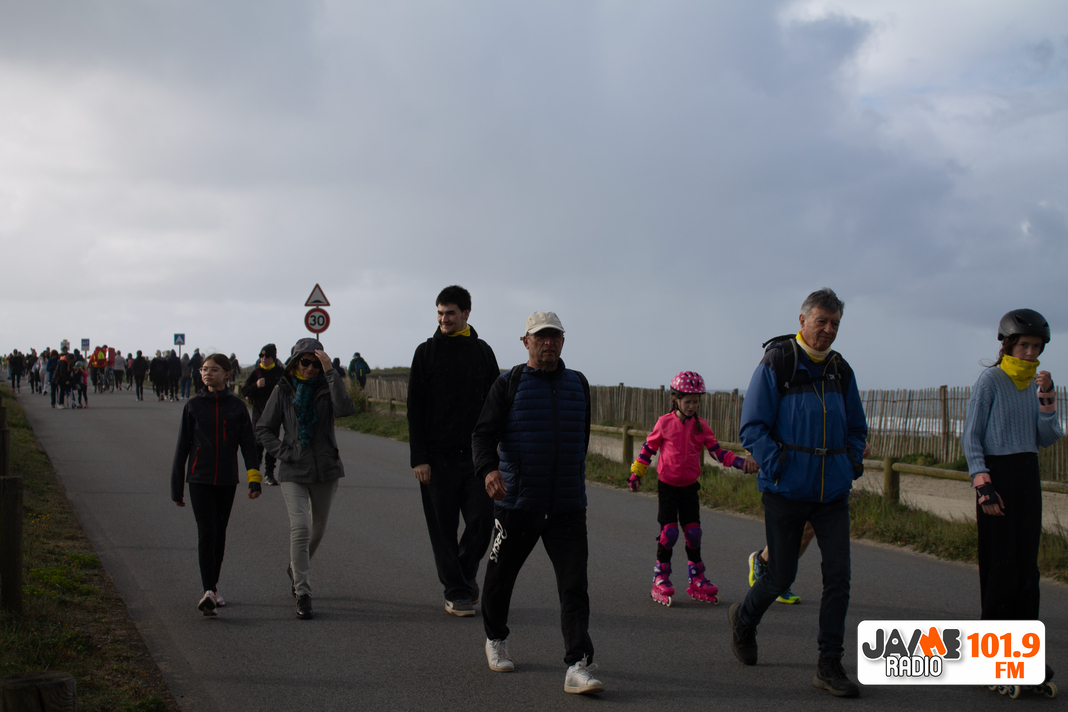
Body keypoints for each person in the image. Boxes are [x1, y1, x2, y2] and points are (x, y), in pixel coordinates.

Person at [730, 288, 867, 698]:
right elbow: (752, 427)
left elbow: (857, 427)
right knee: (780, 575)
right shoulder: (779, 362)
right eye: (822, 321)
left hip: (832, 493)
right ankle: (744, 619)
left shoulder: (841, 370)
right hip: (785, 490)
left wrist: (851, 462)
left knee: (838, 578)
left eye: (835, 323)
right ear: (803, 320)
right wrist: (779, 466)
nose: (828, 330)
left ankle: (829, 663)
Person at [472, 311, 603, 696]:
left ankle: (578, 664)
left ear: (563, 341)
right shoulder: (508, 384)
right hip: (518, 504)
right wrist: (489, 470)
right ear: (525, 341)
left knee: (574, 586)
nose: (549, 343)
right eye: (541, 337)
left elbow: (581, 440)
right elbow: (482, 436)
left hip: (567, 506)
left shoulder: (578, 384)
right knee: (500, 578)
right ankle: (496, 638)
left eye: (555, 336)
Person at [963, 309, 1063, 623]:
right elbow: (971, 436)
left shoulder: (1036, 384)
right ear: (1008, 344)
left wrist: (1046, 396)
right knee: (1000, 565)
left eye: (1036, 346)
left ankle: (1025, 643)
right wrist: (983, 485)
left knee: (1027, 567)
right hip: (997, 476)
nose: (1030, 352)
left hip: (1027, 473)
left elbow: (1047, 437)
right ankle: (995, 641)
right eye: (1024, 345)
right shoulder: (991, 380)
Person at [406, 285, 500, 617]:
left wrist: (495, 454)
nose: (443, 319)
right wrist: (419, 458)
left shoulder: (483, 352)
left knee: (483, 522)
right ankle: (456, 592)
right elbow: (415, 408)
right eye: (440, 313)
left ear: (466, 314)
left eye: (450, 313)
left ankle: (463, 573)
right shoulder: (426, 352)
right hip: (436, 459)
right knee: (443, 530)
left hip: (477, 458)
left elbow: (496, 405)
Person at [627, 371, 758, 606]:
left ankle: (697, 577)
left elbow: (717, 452)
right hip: (668, 486)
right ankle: (660, 577)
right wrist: (636, 473)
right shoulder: (664, 422)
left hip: (689, 488)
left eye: (696, 402)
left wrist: (740, 463)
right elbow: (649, 448)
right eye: (688, 401)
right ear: (676, 399)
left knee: (693, 533)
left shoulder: (702, 426)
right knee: (669, 533)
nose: (692, 406)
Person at [256, 338, 355, 620]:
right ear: (295, 362)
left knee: (318, 530)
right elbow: (263, 429)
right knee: (300, 527)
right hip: (294, 470)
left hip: (326, 469)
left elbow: (345, 409)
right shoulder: (283, 390)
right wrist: (285, 452)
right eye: (305, 362)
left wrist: (330, 372)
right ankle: (303, 591)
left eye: (316, 363)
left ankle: (295, 567)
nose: (310, 368)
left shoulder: (327, 386)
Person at [171, 353, 262, 616]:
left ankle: (213, 587)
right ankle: (208, 590)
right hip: (199, 478)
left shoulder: (237, 407)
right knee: (206, 532)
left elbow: (248, 446)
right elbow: (182, 448)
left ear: (226, 374)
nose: (207, 374)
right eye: (203, 369)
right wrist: (176, 487)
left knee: (219, 533)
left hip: (226, 480)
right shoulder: (193, 406)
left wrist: (254, 480)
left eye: (213, 370)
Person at [242, 344, 285, 486]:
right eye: (261, 356)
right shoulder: (256, 373)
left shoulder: (280, 372)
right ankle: (255, 473)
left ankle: (269, 474)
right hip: (259, 415)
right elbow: (244, 391)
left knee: (272, 444)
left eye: (267, 356)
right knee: (258, 444)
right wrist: (256, 385)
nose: (263, 358)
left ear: (273, 358)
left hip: (274, 415)